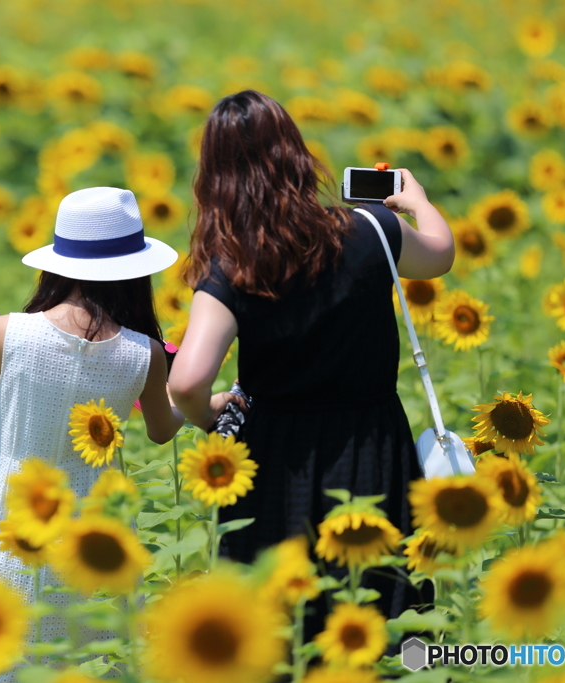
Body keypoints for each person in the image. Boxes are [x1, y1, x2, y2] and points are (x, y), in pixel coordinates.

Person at [0, 187, 229, 681]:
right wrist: (211, 402)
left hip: (9, 539)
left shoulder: (7, 334)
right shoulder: (144, 353)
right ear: (135, 270)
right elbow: (164, 429)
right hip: (94, 553)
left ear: (57, 262)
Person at [168, 90, 454, 637]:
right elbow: (440, 253)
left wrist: (209, 413)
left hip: (277, 459)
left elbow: (186, 380)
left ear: (215, 180)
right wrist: (414, 200)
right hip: (374, 445)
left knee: (279, 626)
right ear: (297, 156)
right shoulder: (371, 231)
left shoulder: (236, 263)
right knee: (379, 614)